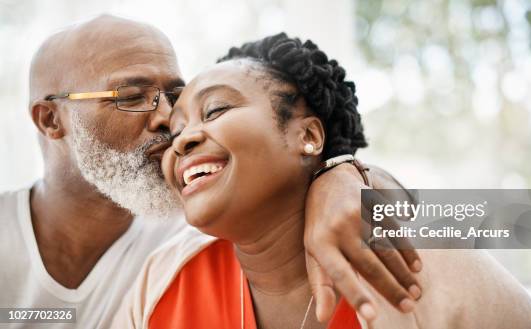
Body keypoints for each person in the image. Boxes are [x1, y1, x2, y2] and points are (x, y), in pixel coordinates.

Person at [0, 15, 423, 329]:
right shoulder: (173, 265)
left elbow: (474, 219)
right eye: (131, 96)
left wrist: (347, 175)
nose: (169, 121)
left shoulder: (200, 229)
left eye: (174, 97)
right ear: (50, 120)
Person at [114, 33, 531, 329]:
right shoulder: (163, 280)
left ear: (307, 136)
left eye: (215, 111)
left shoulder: (422, 262)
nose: (183, 139)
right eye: (175, 132)